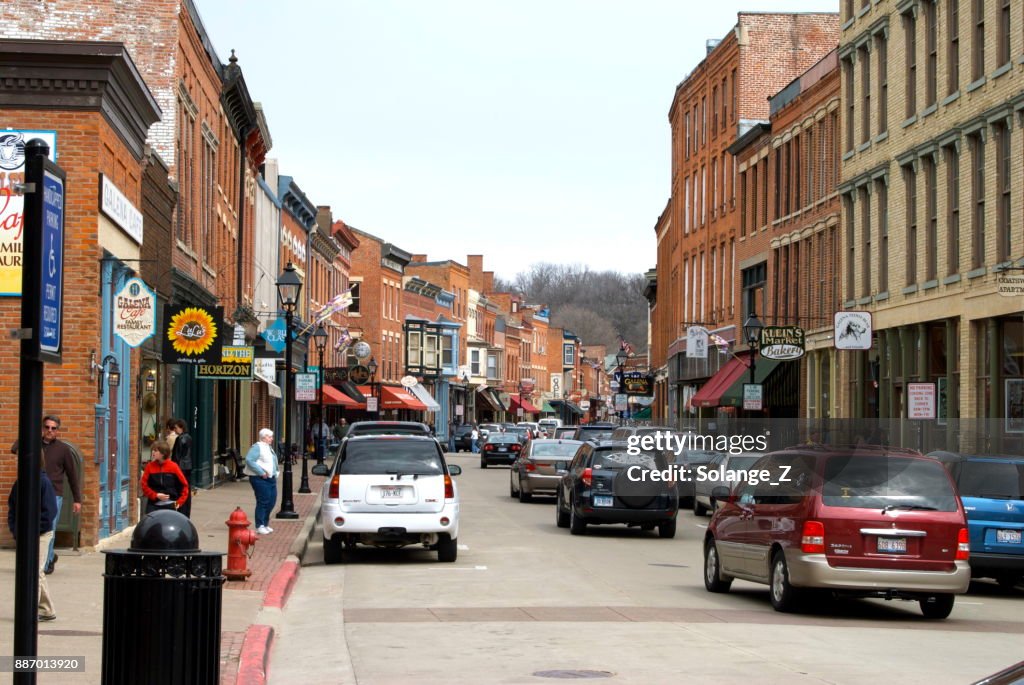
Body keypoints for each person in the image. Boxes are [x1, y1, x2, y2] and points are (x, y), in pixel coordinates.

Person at [7, 463, 59, 622]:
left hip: (41, 534)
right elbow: (13, 508)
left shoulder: (44, 482)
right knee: (35, 571)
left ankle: (29, 611)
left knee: (34, 571)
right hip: (25, 534)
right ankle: (47, 609)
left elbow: (50, 512)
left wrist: (33, 530)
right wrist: (16, 530)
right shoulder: (19, 483)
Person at [39, 415, 82, 576]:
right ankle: (48, 556)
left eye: (53, 428)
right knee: (37, 530)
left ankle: (48, 561)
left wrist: (77, 499)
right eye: (47, 427)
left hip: (54, 494)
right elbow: (15, 448)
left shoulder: (63, 449)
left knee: (50, 529)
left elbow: (72, 475)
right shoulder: (35, 444)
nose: (50, 431)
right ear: (43, 428)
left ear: (58, 430)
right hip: (35, 494)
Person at [140, 440, 190, 515]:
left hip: (171, 505)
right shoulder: (149, 467)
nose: (153, 452)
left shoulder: (173, 466)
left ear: (163, 453)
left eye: (155, 450)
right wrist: (155, 495)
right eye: (152, 450)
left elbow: (185, 485)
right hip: (154, 505)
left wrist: (179, 503)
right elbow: (144, 485)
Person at [244, 428, 279, 535]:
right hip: (260, 479)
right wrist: (261, 473)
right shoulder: (257, 447)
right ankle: (260, 525)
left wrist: (276, 472)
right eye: (269, 437)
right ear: (263, 437)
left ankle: (265, 523)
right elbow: (249, 460)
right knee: (263, 501)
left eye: (271, 437)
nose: (271, 439)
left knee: (271, 501)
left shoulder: (268, 447)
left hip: (271, 478)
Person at [170, 418, 193, 516]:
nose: (175, 430)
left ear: (181, 427)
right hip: (187, 466)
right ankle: (186, 512)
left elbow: (176, 456)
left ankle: (180, 511)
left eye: (176, 428)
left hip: (180, 468)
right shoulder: (189, 437)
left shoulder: (180, 439)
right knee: (186, 490)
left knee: (180, 492)